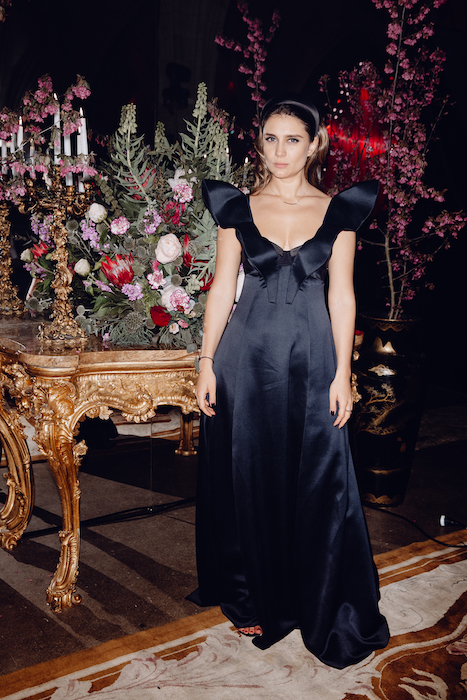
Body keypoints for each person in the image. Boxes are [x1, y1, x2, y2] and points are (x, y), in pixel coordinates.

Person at [187, 94, 390, 669]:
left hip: (313, 363)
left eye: (292, 139)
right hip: (244, 363)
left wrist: (343, 373)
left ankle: (315, 592)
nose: (279, 151)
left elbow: (343, 296)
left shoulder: (340, 211)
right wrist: (206, 361)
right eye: (270, 138)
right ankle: (250, 594)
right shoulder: (236, 208)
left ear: (314, 144)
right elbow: (221, 290)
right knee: (245, 476)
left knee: (320, 478)